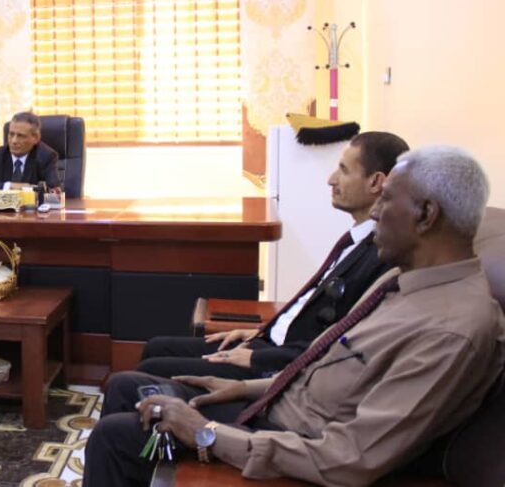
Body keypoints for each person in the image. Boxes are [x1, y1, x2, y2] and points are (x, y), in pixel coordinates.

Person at [85, 146, 505, 487]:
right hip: (276, 407)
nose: (376, 212)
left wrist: (205, 433)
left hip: (295, 445)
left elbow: (351, 458)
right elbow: (331, 366)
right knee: (127, 387)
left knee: (115, 438)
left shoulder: (452, 332)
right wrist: (244, 388)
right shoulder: (401, 278)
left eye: (388, 199)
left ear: (426, 214)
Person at [138, 132, 409, 380]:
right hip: (273, 342)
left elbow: (337, 341)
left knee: (149, 372)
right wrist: (266, 330)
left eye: (344, 170)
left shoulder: (382, 255)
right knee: (157, 347)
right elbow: (310, 309)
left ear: (375, 182)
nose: (331, 179)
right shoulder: (356, 241)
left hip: (282, 363)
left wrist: (258, 357)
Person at [0, 111, 62, 197]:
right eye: (11, 134)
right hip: (2, 211)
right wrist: (9, 186)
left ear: (35, 138)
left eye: (21, 136)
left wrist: (29, 191)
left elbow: (53, 191)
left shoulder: (46, 156)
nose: (14, 141)